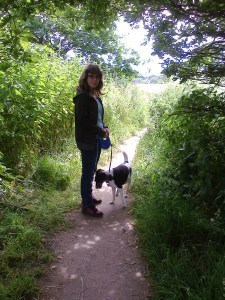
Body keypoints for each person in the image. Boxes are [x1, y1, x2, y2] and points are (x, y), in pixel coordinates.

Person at [73, 63, 110, 217]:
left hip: (96, 138)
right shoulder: (82, 97)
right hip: (87, 139)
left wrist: (105, 127)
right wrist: (100, 131)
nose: (94, 79)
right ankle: (87, 206)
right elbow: (83, 121)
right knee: (87, 173)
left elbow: (98, 118)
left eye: (97, 77)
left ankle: (88, 198)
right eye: (91, 76)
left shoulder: (94, 95)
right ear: (86, 77)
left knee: (91, 170)